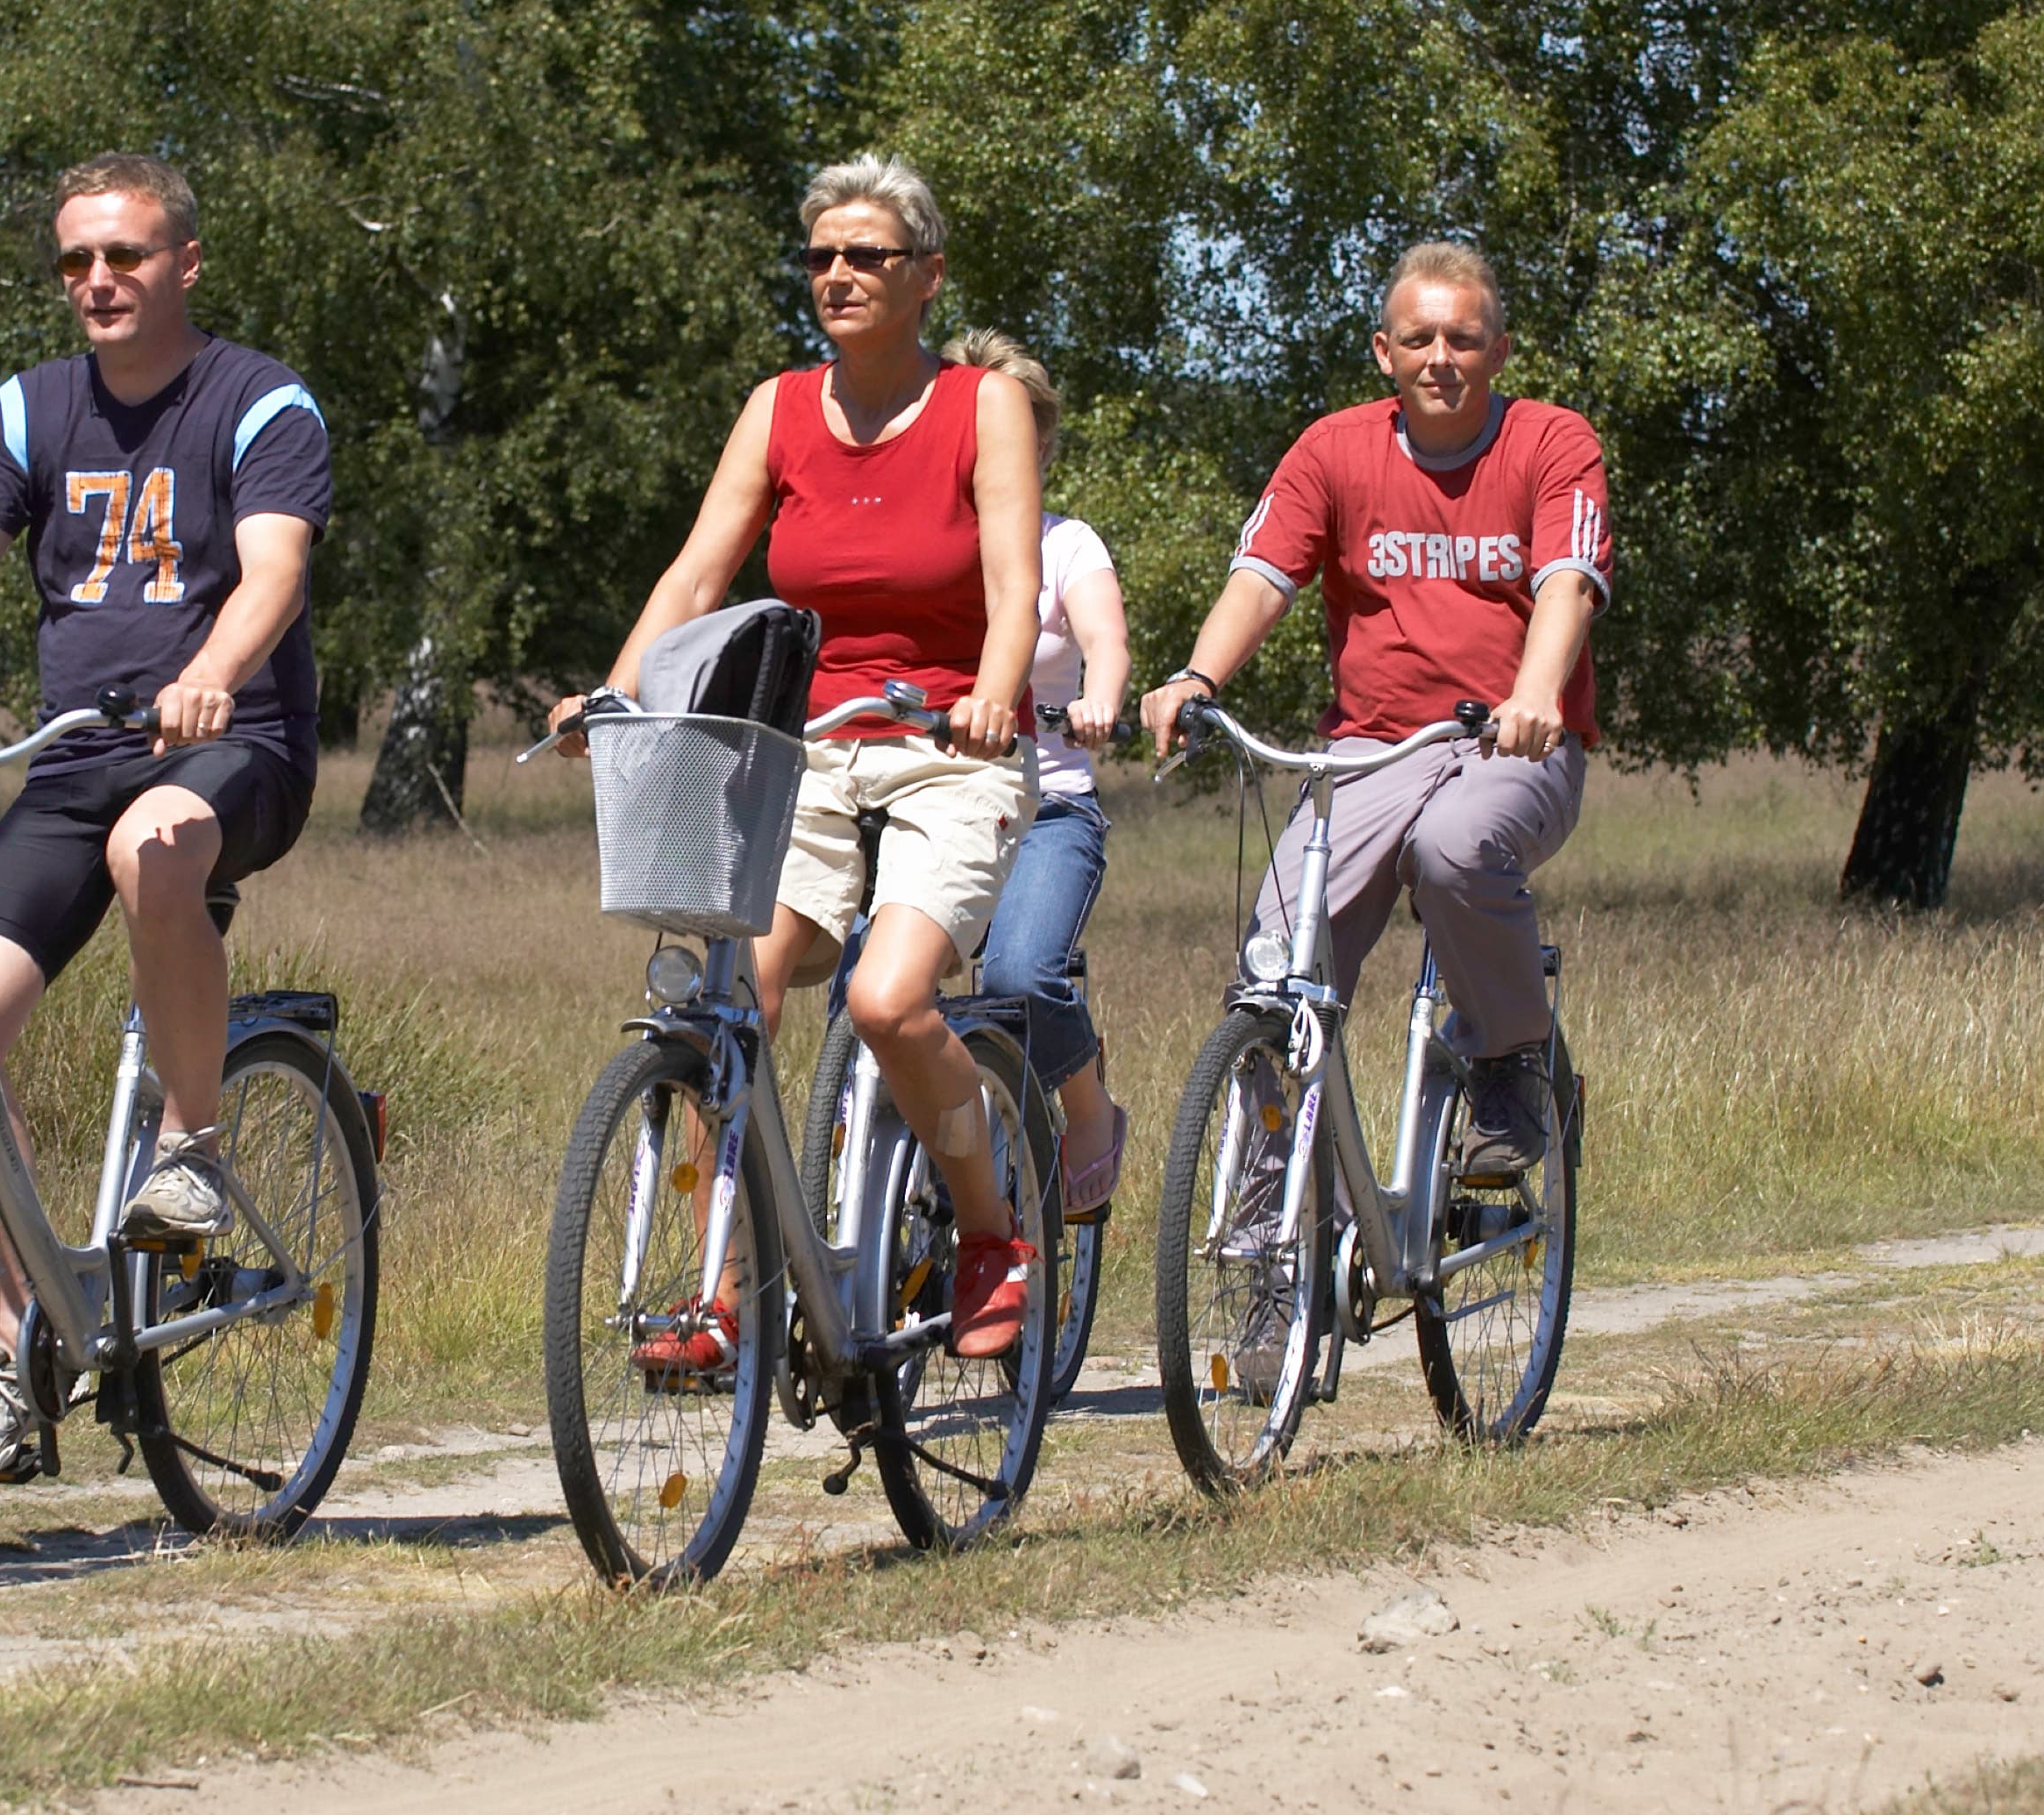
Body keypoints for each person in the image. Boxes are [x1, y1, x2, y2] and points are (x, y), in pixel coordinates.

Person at [0, 151, 333, 1479]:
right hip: (76, 753)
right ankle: (23, 1340)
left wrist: (212, 673)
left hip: (230, 747)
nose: (98, 280)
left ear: (184, 264)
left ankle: (192, 1148)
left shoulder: (259, 402)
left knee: (154, 846)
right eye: (77, 261)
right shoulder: (30, 411)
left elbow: (274, 570)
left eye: (127, 256)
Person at [552, 153, 1044, 1363]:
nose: (837, 274)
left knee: (887, 999)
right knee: (742, 999)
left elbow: (1015, 581)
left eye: (867, 256)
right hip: (808, 753)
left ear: (925, 277)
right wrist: (618, 691)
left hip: (945, 749)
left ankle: (991, 1232)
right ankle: (732, 1287)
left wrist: (990, 693)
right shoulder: (778, 408)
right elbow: (697, 570)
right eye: (821, 255)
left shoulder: (985, 406)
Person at [1143, 240, 1610, 1177]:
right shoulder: (1334, 449)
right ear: (1382, 351)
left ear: (1500, 351)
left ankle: (1513, 1058)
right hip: (1368, 750)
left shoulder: (1553, 441)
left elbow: (1567, 580)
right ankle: (1279, 1230)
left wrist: (1533, 692)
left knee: (1453, 851)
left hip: (1507, 745)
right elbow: (1263, 577)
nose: (1441, 357)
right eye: (1419, 337)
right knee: (1275, 971)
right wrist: (1198, 678)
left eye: (1463, 339)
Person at [938, 328, 1132, 1217]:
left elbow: (1103, 642)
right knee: (864, 982)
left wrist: (1097, 698)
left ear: (1040, 442)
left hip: (1049, 808)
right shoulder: (926, 552)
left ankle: (1085, 1110)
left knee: (1016, 975)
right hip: (935, 804)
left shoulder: (1067, 546)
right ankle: (877, 1168)